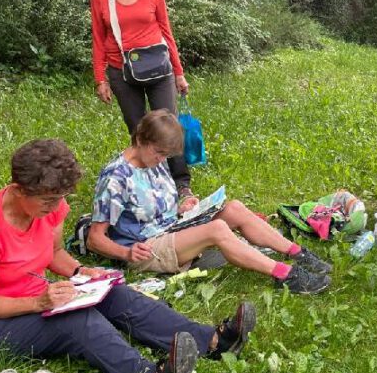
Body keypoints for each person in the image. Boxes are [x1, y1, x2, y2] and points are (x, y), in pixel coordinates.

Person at [0, 139, 258, 373]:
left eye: (60, 199)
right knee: (76, 321)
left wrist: (81, 270)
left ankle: (213, 342)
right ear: (18, 189)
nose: (56, 208)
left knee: (115, 294)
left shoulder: (50, 208)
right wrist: (39, 303)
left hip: (29, 300)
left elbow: (53, 253)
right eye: (48, 200)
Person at [88, 110, 331, 294]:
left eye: (166, 155)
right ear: (140, 140)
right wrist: (127, 252)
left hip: (171, 229)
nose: (162, 159)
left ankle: (297, 253)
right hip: (146, 248)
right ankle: (285, 275)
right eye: (159, 153)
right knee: (217, 229)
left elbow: (154, 202)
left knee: (234, 208)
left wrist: (183, 205)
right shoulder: (115, 178)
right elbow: (95, 239)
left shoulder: (152, 158)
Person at [90, 0, 193, 202]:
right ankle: (149, 181)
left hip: (160, 70)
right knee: (138, 129)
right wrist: (100, 78)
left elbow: (166, 32)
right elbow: (98, 39)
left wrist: (179, 73)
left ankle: (181, 183)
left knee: (168, 126)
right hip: (121, 72)